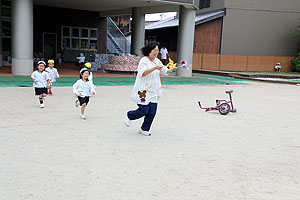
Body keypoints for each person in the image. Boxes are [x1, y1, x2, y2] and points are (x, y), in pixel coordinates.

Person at [124, 41, 176, 136]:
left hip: (154, 91)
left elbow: (164, 71)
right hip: (143, 91)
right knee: (144, 110)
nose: (157, 52)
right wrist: (155, 67)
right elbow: (142, 73)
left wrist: (170, 69)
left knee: (152, 112)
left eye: (158, 50)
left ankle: (144, 128)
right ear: (149, 51)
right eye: (155, 50)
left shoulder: (157, 61)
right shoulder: (144, 60)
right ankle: (129, 115)